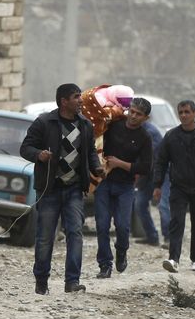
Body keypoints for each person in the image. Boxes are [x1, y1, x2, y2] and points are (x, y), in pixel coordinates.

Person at [20, 83, 105, 295]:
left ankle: (72, 282)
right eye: (76, 97)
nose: (80, 100)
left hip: (75, 189)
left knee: (75, 233)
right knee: (46, 236)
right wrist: (38, 154)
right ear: (63, 101)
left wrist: (96, 167)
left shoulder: (85, 125)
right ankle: (41, 282)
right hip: (49, 190)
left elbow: (90, 152)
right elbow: (25, 148)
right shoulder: (44, 122)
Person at [153, 99, 195, 273]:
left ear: (194, 114)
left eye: (187, 112)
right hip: (179, 186)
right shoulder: (171, 137)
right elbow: (160, 161)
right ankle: (173, 259)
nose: (183, 115)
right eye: (181, 112)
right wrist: (157, 185)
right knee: (176, 221)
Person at [94, 97, 153, 278]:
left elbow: (145, 167)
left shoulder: (145, 137)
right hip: (104, 182)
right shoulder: (114, 125)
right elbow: (97, 139)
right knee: (102, 225)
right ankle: (105, 264)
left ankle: (121, 251)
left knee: (122, 226)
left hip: (125, 186)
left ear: (145, 118)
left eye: (139, 114)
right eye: (132, 112)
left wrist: (120, 163)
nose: (133, 116)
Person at [133, 121, 170, 246]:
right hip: (148, 174)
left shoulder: (150, 132)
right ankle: (152, 236)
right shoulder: (135, 130)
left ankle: (169, 238)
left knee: (163, 205)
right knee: (140, 204)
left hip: (162, 172)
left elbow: (149, 158)